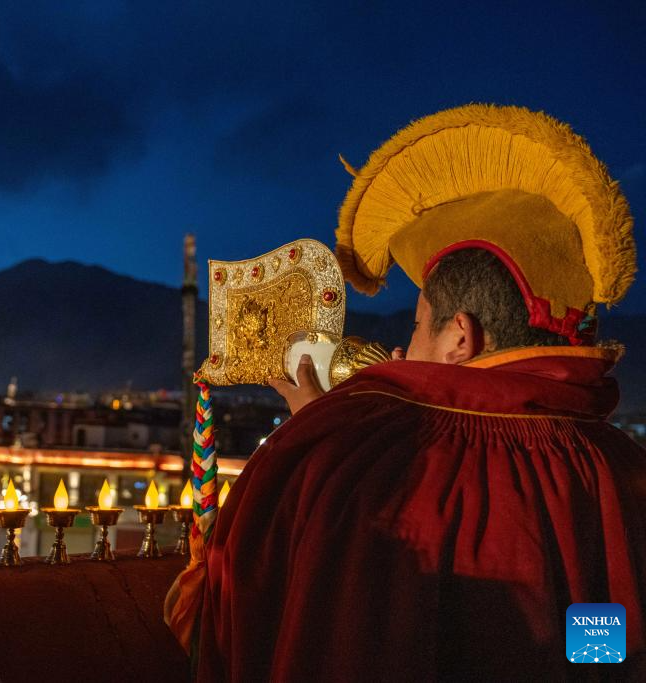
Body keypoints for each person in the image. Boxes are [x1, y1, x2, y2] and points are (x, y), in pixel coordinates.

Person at [168, 105, 646, 681]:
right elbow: (604, 639)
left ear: (460, 338)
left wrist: (322, 440)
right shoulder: (619, 464)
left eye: (418, 326)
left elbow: (237, 599)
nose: (405, 348)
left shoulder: (358, 455)